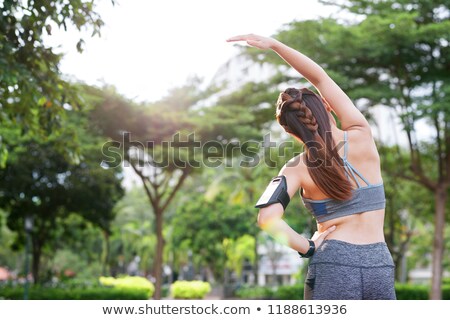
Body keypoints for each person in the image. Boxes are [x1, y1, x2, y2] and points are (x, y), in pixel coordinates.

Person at [226, 34, 396, 300]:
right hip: (381, 264)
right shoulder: (362, 134)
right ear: (327, 107)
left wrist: (307, 247)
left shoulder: (296, 168)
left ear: (292, 133)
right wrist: (275, 45)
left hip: (333, 263)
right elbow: (320, 78)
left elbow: (267, 220)